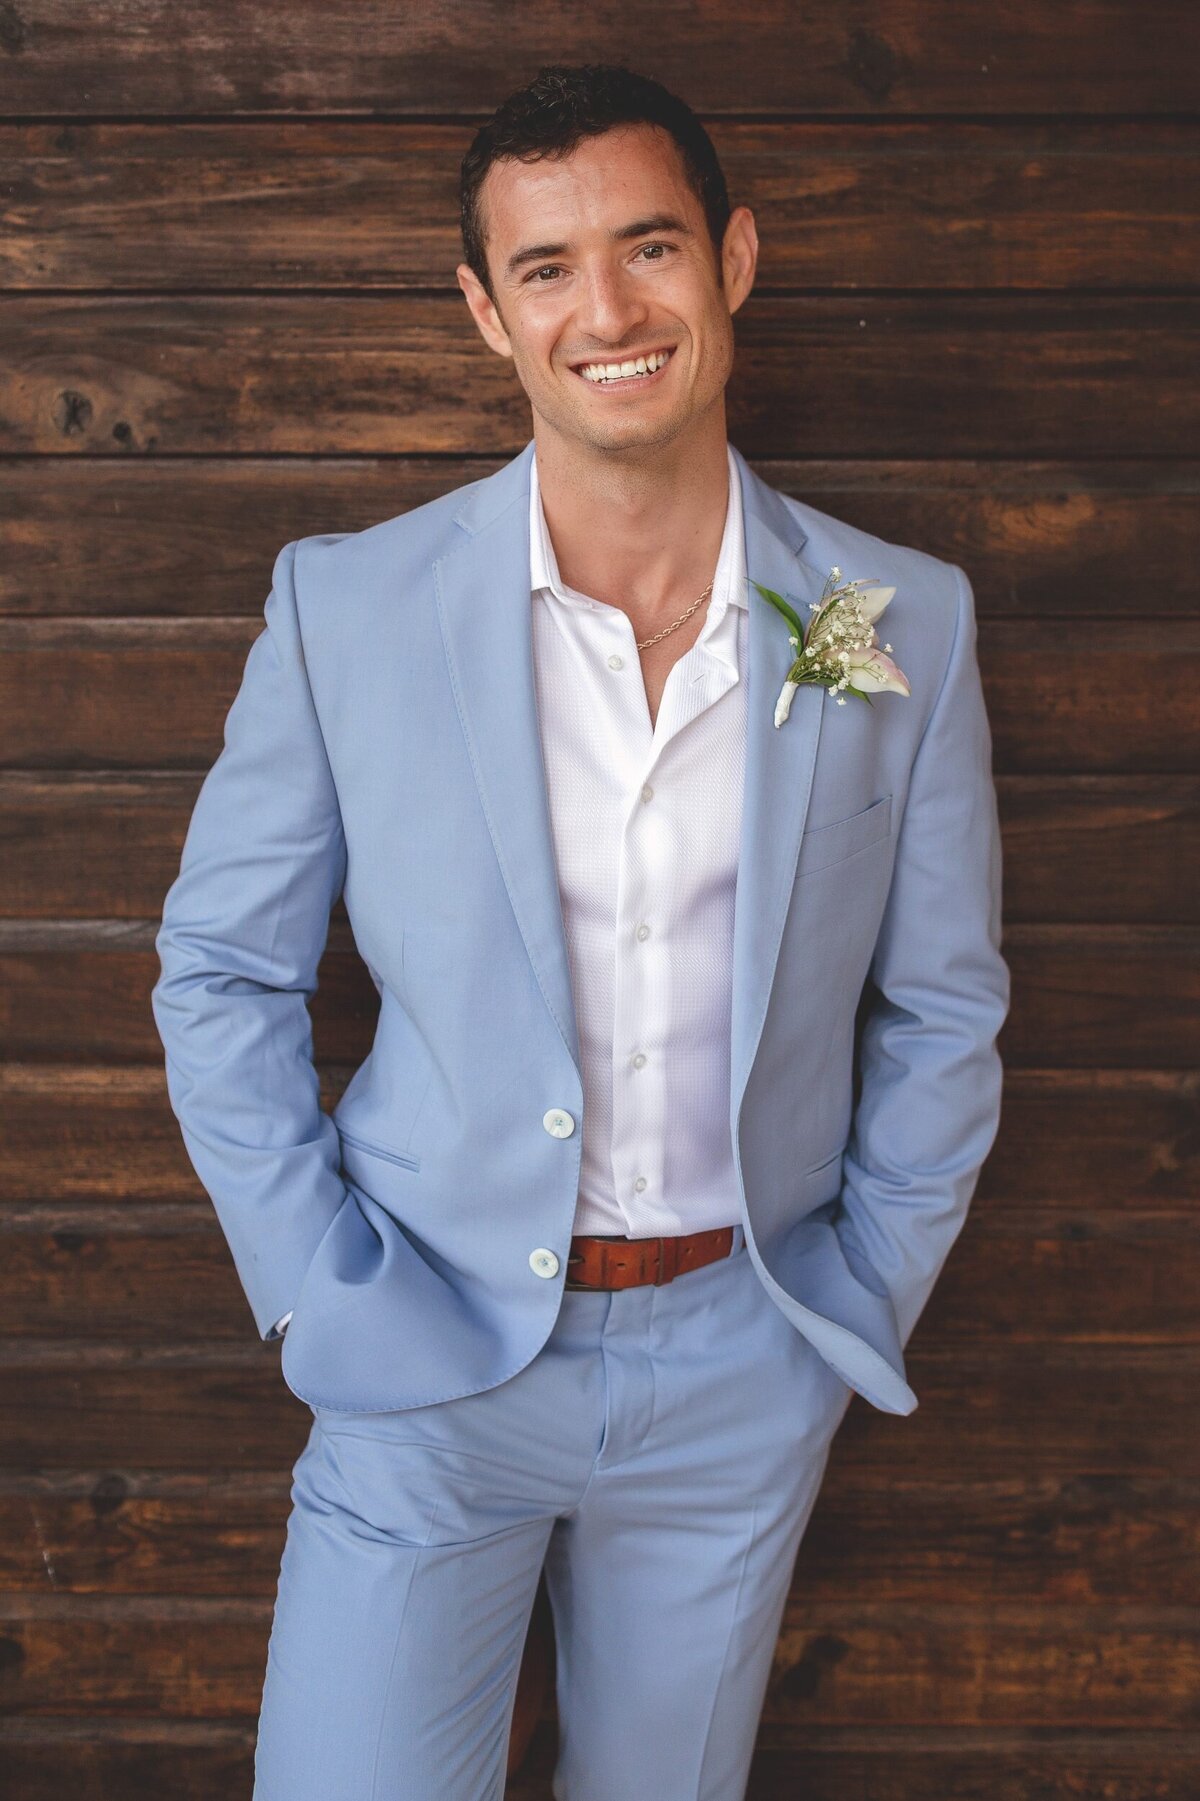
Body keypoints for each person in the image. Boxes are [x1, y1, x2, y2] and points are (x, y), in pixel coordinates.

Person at [151, 61, 1010, 1801]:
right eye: (546, 267)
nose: (607, 310)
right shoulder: (349, 605)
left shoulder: (881, 618)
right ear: (487, 310)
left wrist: (851, 1300)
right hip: (425, 1361)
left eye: (648, 248)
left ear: (733, 260)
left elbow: (941, 1005)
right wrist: (322, 1295)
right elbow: (220, 972)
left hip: (740, 1361)